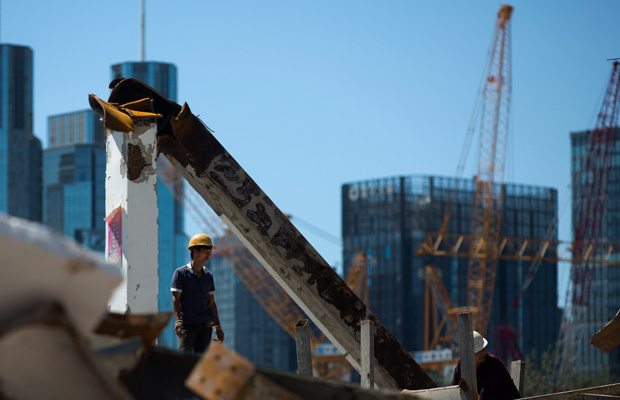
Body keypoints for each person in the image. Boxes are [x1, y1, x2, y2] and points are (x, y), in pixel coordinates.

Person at [171, 233, 225, 353]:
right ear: (195, 251)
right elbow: (176, 299)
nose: (209, 254)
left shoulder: (208, 275)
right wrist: (178, 321)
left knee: (201, 363)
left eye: (210, 250)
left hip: (205, 327)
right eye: (206, 250)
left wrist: (218, 326)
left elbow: (211, 303)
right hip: (187, 326)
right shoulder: (180, 273)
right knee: (185, 362)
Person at [452, 331, 520, 400]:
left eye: (483, 348)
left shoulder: (493, 364)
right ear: (469, 355)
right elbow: (453, 391)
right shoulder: (462, 365)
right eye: (478, 351)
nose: (483, 353)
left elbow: (487, 395)